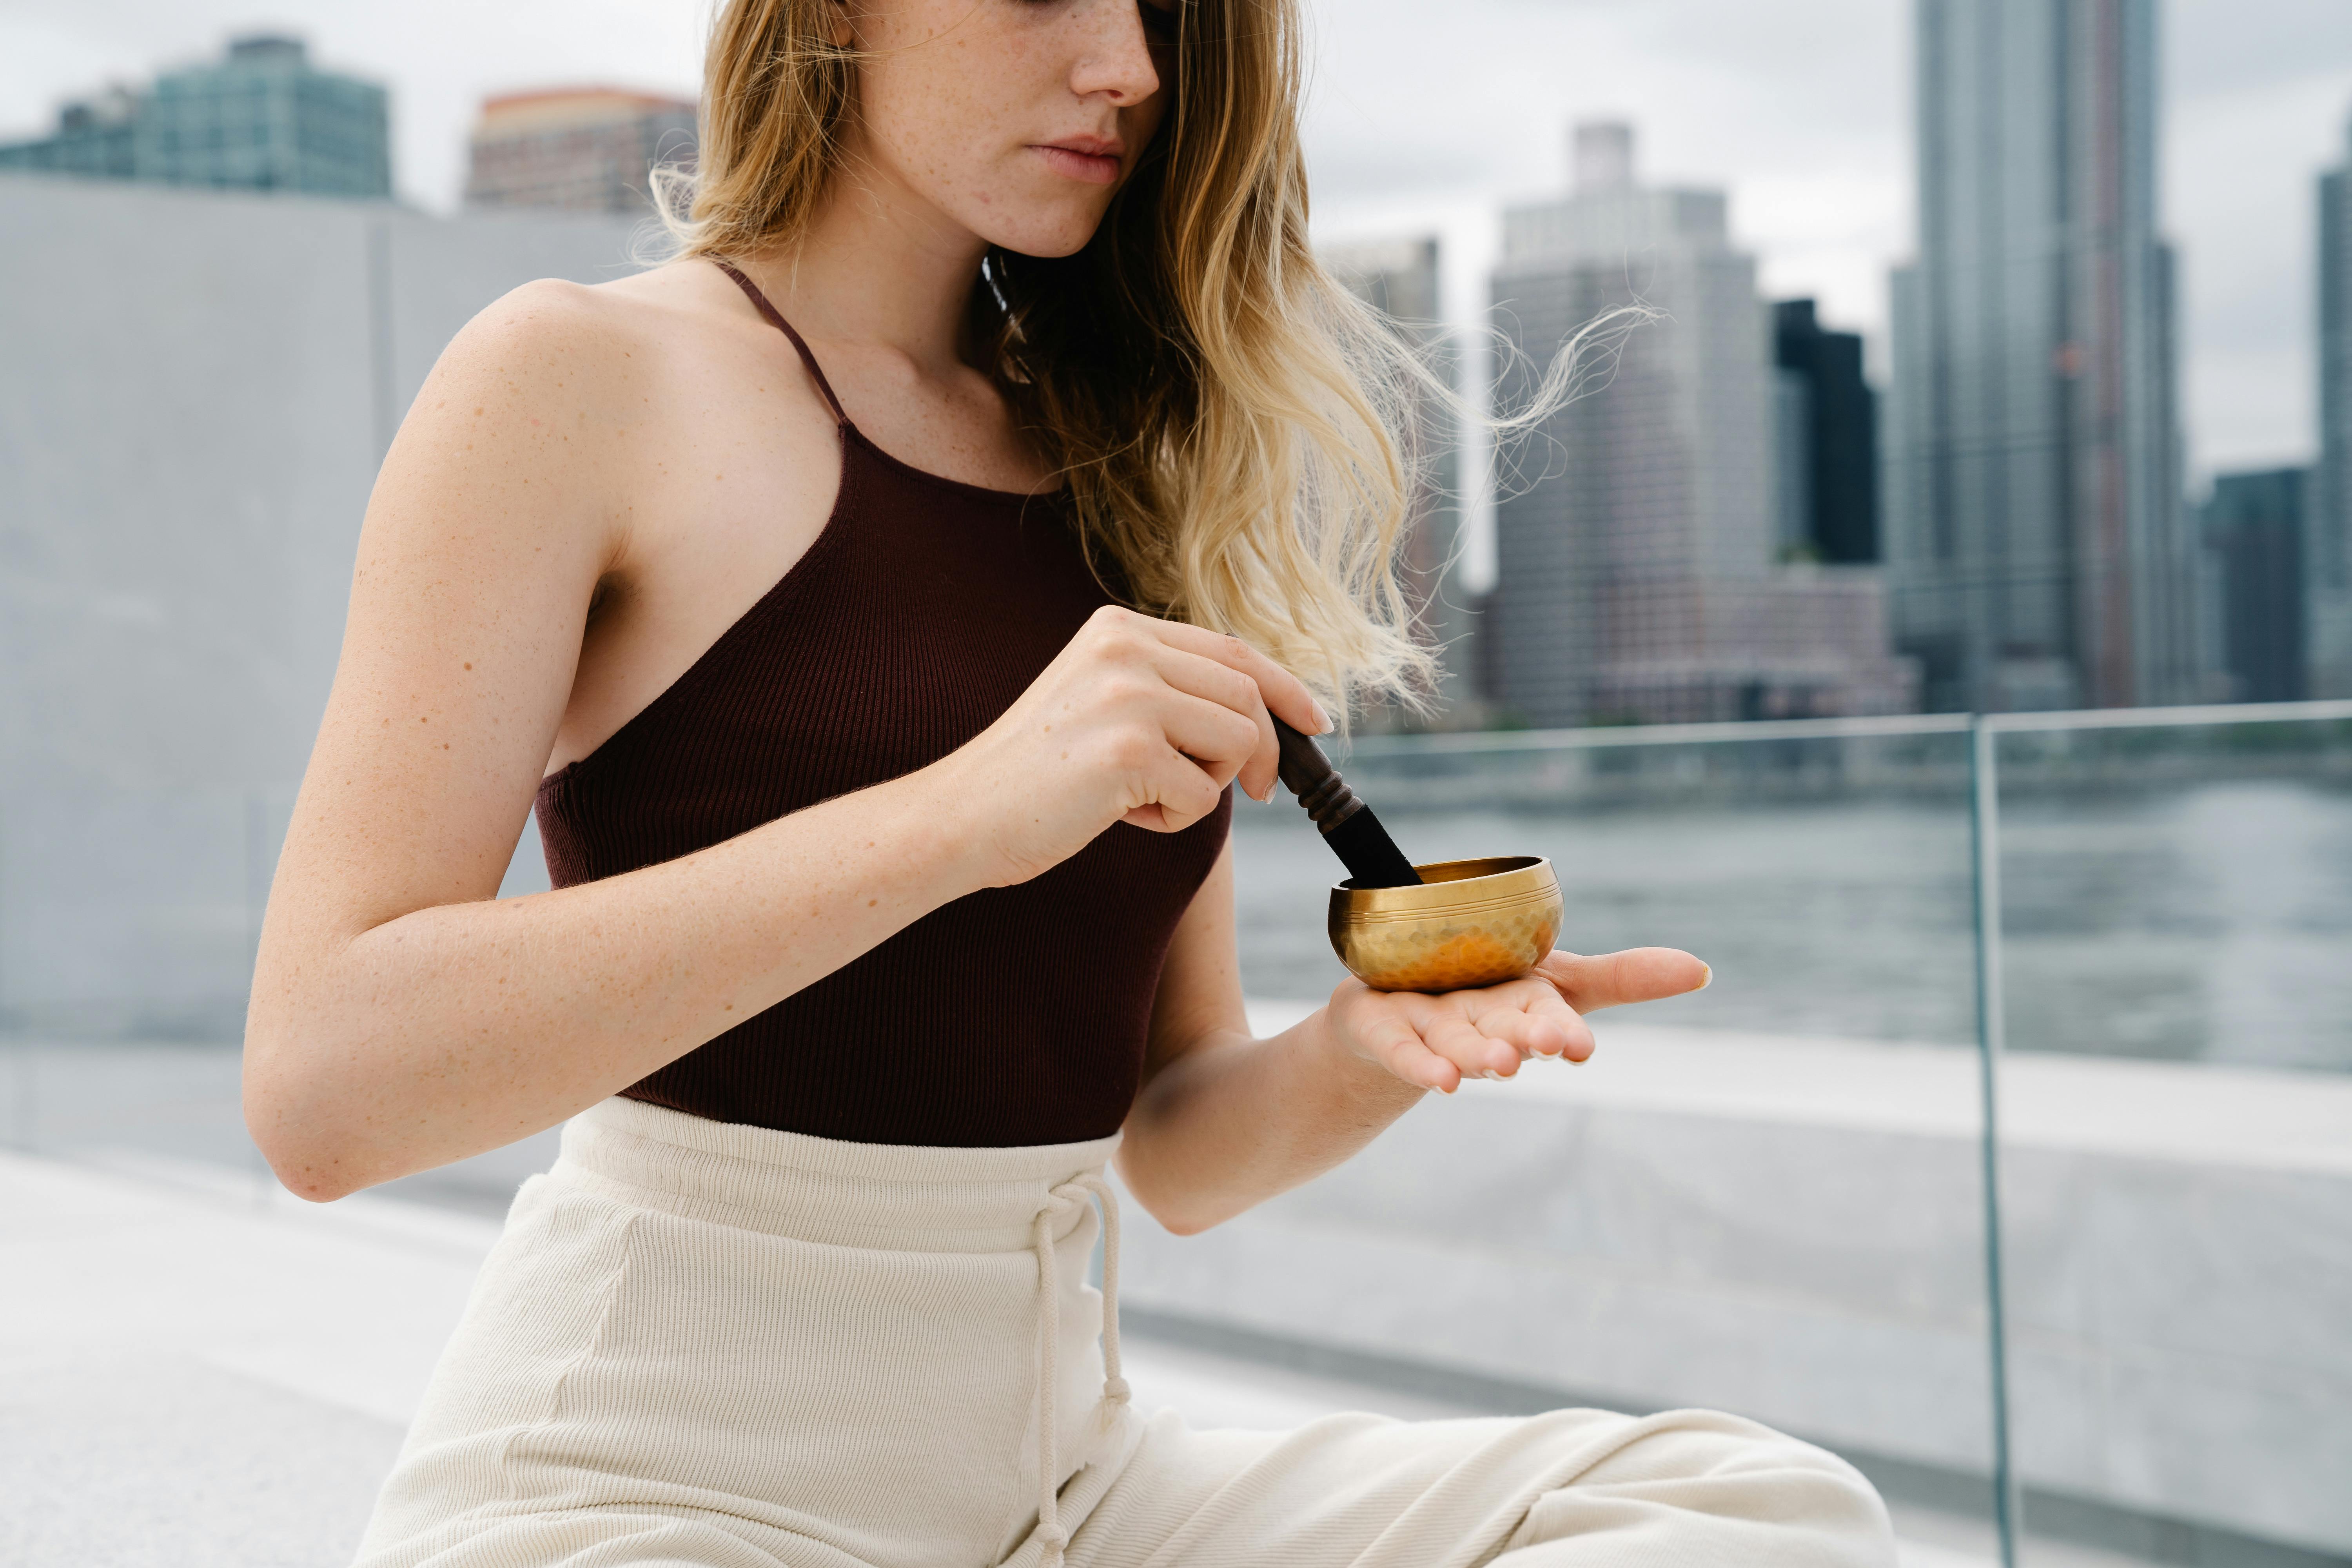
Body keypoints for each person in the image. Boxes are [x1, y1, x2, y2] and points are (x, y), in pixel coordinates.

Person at [244, 1, 1898, 1564]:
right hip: (651, 1486)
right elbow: (325, 1087)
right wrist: (969, 812)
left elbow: (1176, 1145)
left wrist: (1360, 1052)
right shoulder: (577, 375)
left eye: (1164, 10)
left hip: (1064, 1491)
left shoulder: (1116, 468)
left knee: (1747, 1506)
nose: (1128, 64)